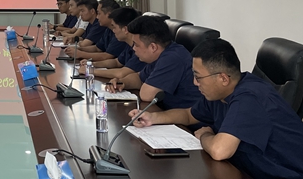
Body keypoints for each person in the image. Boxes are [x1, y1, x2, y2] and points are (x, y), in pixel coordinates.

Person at [129, 39, 303, 179]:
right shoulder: (220, 94)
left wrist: (205, 135)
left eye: (198, 77)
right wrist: (153, 118)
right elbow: (188, 115)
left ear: (223, 78)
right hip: (244, 170)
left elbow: (220, 151)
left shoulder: (249, 97)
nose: (194, 83)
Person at [106, 16, 201, 109]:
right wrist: (122, 82)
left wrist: (143, 85)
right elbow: (139, 77)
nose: (133, 48)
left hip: (186, 117)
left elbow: (146, 95)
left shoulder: (172, 58)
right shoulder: (162, 53)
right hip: (167, 110)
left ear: (153, 47)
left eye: (136, 45)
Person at [80, 6, 146, 78]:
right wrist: (92, 64)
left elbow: (121, 73)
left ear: (125, 29)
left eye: (114, 27)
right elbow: (116, 62)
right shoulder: (129, 45)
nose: (113, 31)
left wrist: (90, 71)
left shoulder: (140, 48)